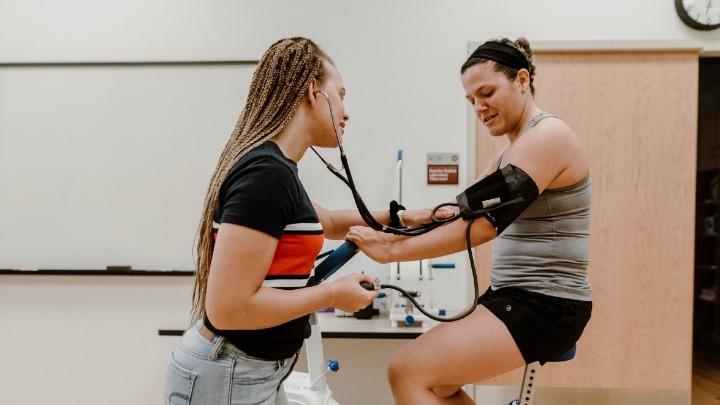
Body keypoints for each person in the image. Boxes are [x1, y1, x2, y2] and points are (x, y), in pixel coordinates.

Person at [164, 37, 441, 405]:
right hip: (230, 375)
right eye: (340, 94)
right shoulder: (267, 175)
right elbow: (227, 308)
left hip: (257, 370)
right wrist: (331, 294)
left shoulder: (279, 170)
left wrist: (398, 217)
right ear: (314, 92)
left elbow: (324, 221)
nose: (346, 110)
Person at [345, 37, 593, 405]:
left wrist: (393, 252)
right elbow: (461, 211)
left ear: (522, 80)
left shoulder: (548, 137)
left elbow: (482, 225)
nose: (479, 106)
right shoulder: (509, 153)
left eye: (487, 92)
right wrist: (410, 218)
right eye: (471, 100)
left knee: (407, 371)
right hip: (516, 297)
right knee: (437, 383)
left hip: (547, 303)